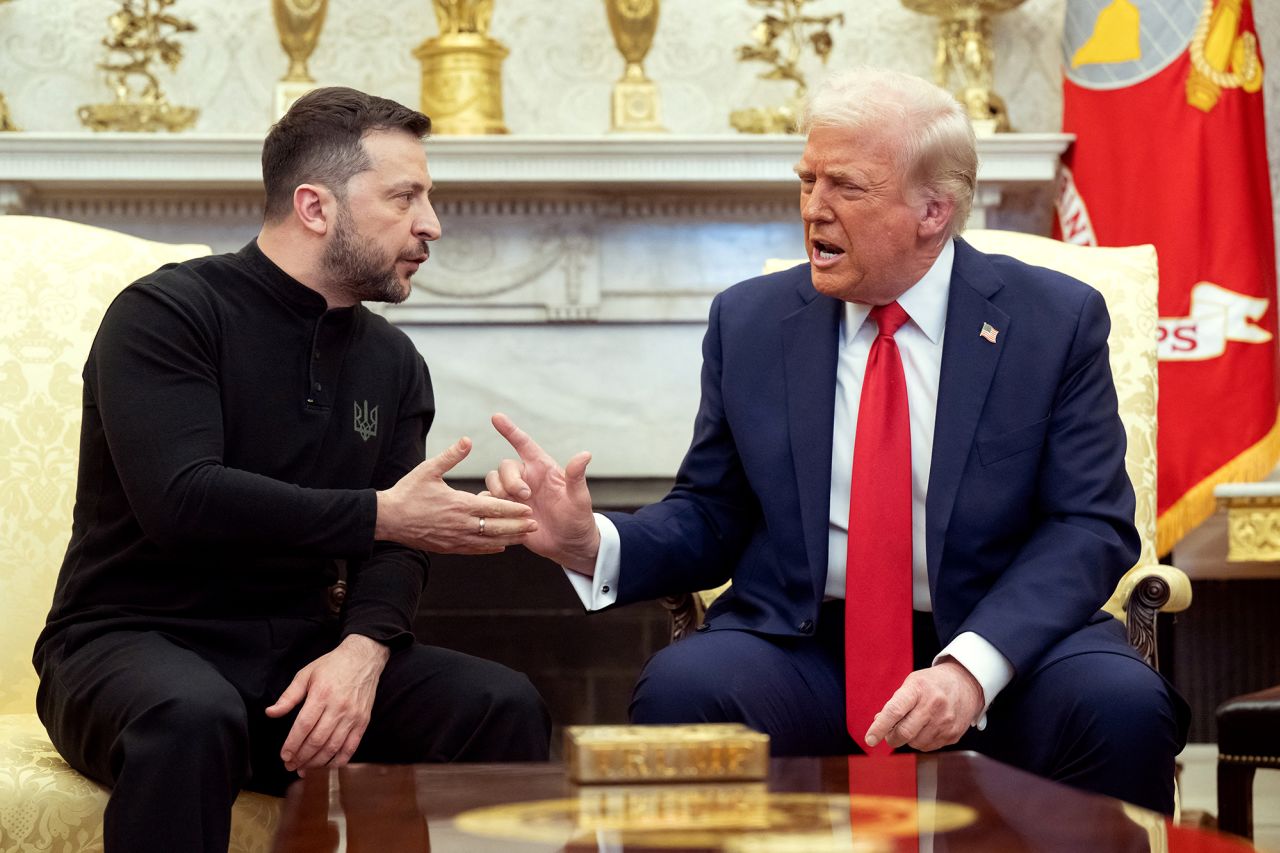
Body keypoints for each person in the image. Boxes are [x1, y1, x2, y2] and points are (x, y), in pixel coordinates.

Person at [484, 67, 1188, 814]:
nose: (812, 209)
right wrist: (589, 542)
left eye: (845, 187)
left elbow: (1089, 524)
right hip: (809, 641)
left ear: (933, 210)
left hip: (1010, 639)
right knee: (685, 689)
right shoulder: (751, 322)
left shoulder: (1054, 320)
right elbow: (712, 511)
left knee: (1120, 707)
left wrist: (972, 667)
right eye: (806, 180)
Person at [33, 87, 550, 853]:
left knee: (499, 702)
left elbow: (395, 544)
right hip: (129, 643)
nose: (432, 224)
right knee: (190, 713)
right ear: (315, 207)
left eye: (429, 197)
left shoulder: (394, 362)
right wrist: (380, 513)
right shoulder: (168, 314)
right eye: (406, 197)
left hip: (299, 657)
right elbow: (182, 499)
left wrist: (362, 650)